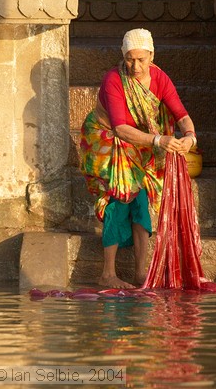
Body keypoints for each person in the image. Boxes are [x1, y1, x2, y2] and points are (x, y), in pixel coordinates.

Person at [79, 28, 198, 289]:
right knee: (119, 198)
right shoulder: (114, 79)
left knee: (141, 203)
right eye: (130, 59)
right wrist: (159, 140)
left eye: (141, 59)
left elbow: (180, 113)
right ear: (123, 57)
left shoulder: (160, 79)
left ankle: (140, 273)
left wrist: (190, 136)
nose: (135, 66)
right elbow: (120, 128)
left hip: (141, 145)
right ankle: (107, 273)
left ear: (152, 56)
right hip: (107, 140)